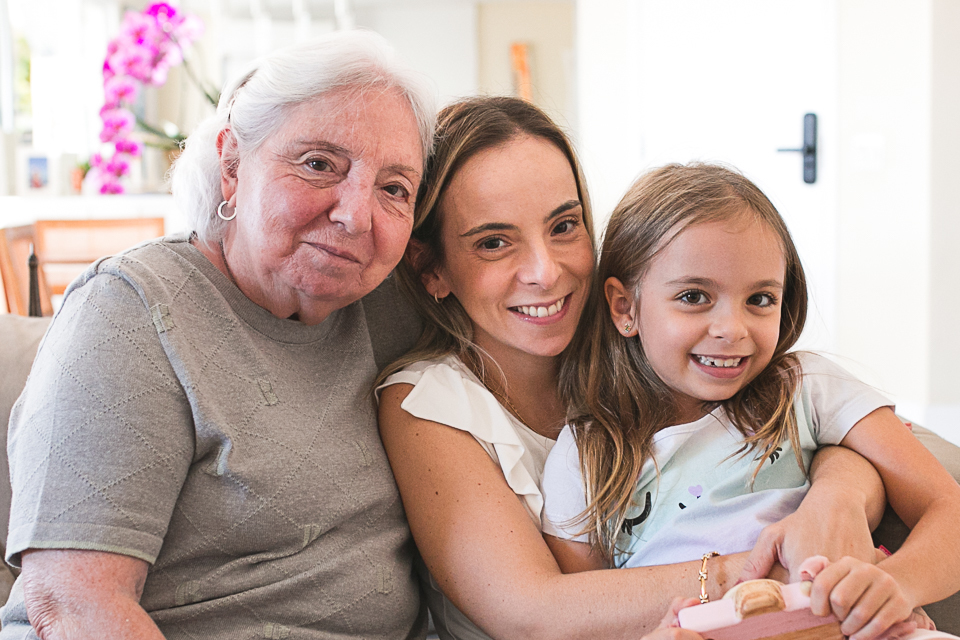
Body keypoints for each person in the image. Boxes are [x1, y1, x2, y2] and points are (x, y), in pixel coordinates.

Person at [377, 97, 891, 639]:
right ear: (432, 269)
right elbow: (533, 614)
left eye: (564, 226)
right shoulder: (425, 405)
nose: (545, 272)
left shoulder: (653, 346)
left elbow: (791, 422)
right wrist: (771, 568)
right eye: (494, 242)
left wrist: (839, 488)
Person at [1, 31, 435, 639]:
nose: (355, 214)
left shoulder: (390, 310)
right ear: (232, 166)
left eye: (394, 188)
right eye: (318, 164)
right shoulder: (132, 311)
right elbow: (72, 604)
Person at [541, 163, 960, 640]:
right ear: (625, 307)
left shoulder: (806, 386)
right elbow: (581, 616)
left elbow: (947, 506)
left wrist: (896, 585)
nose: (732, 329)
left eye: (760, 299)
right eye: (695, 296)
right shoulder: (586, 453)